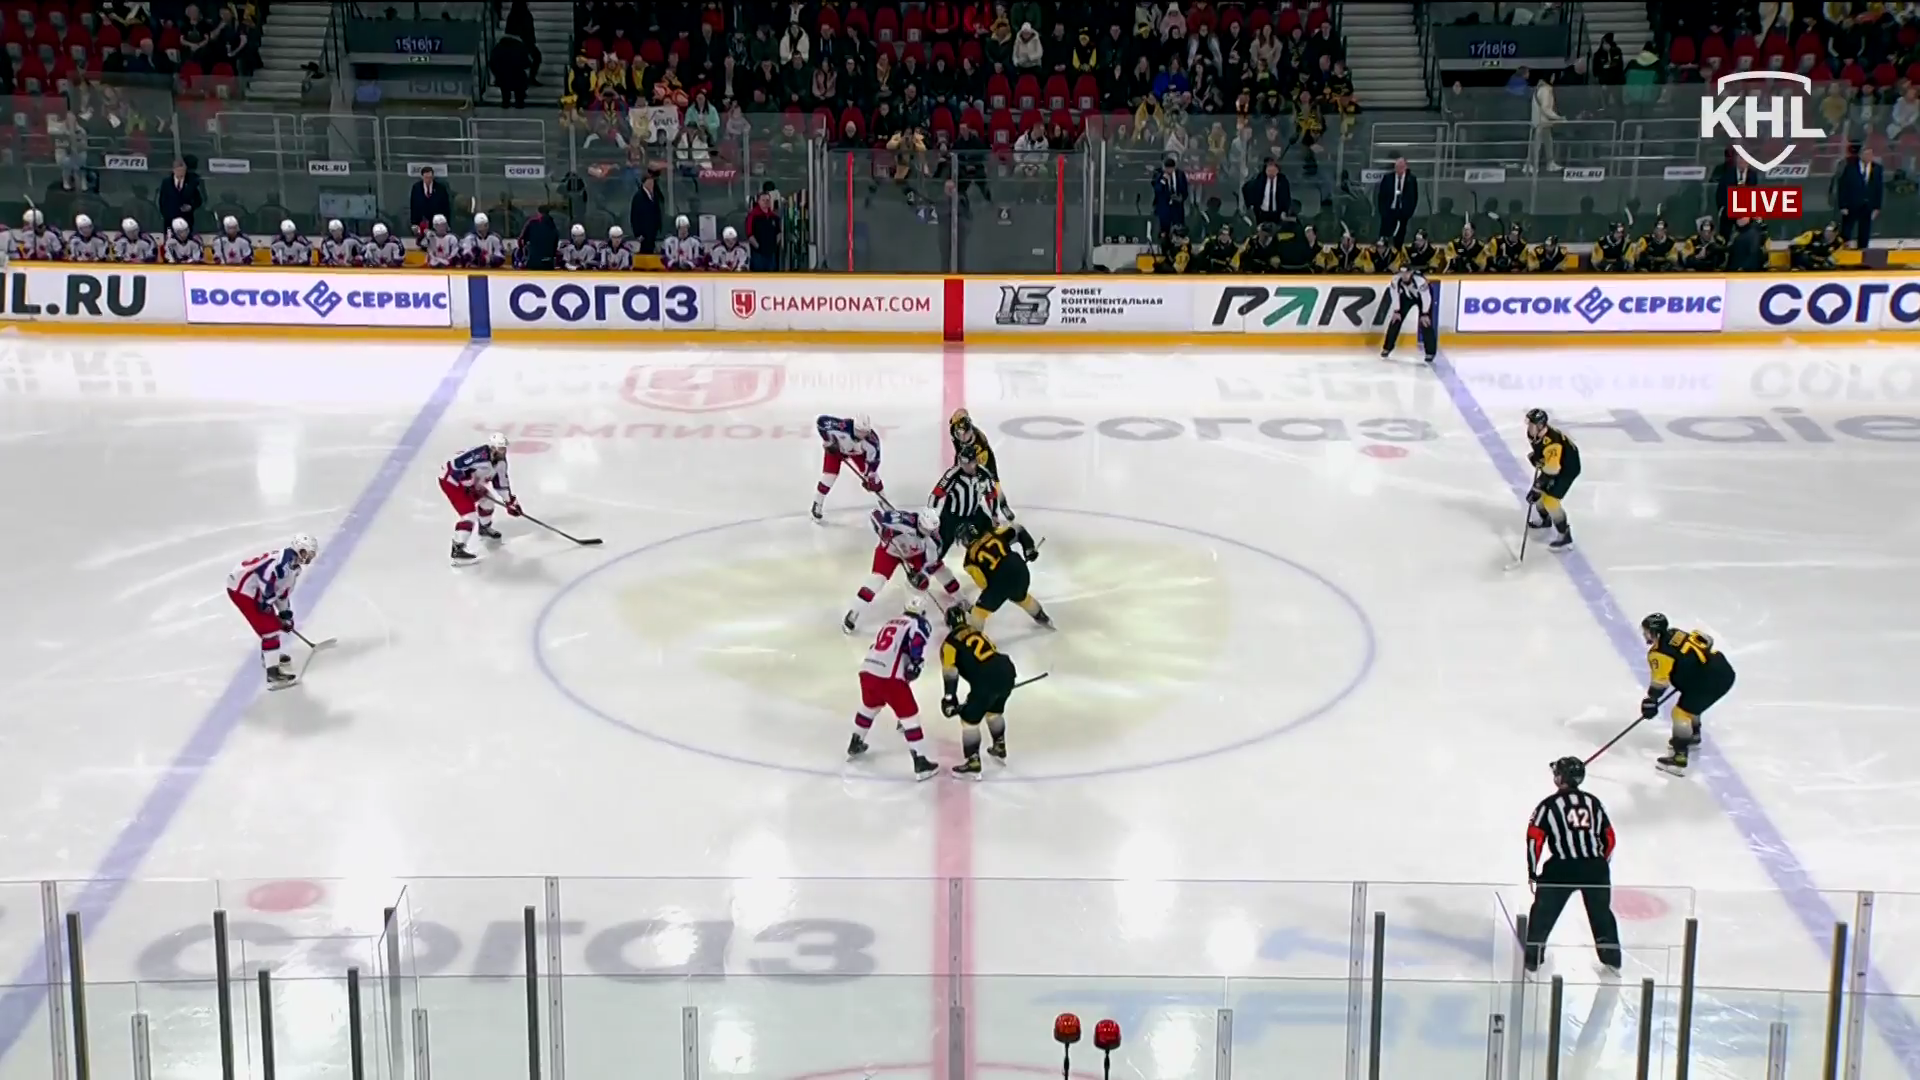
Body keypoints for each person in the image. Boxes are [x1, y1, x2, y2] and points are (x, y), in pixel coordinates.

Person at [1523, 756, 1622, 974]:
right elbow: (1609, 837)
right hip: (1595, 868)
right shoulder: (1593, 802)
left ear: (1561, 779)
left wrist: (1532, 871)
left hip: (1562, 868)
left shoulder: (1549, 805)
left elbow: (1534, 838)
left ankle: (1532, 959)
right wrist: (1599, 863)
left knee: (1542, 914)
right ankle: (1612, 959)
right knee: (1601, 915)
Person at [848, 594, 941, 780]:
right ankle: (921, 762)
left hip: (867, 670)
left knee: (870, 706)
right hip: (889, 677)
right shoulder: (918, 623)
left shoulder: (890, 621)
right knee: (910, 717)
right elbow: (917, 643)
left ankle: (855, 742)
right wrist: (916, 663)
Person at [1639, 613, 1736, 776]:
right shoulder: (1676, 633)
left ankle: (1679, 758)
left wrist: (1651, 700)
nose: (1645, 635)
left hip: (1708, 682)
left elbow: (1660, 682)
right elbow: (1707, 640)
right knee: (1691, 705)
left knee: (1680, 713)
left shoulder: (1659, 653)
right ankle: (1693, 736)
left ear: (1655, 632)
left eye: (1647, 631)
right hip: (1723, 670)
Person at [844, 508, 964, 633]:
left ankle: (960, 598)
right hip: (890, 553)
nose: (929, 533)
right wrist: (882, 530)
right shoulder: (902, 520)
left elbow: (930, 563)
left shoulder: (934, 541)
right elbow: (875, 514)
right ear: (920, 523)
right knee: (876, 581)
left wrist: (921, 575)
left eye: (932, 530)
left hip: (916, 555)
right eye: (927, 530)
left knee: (939, 572)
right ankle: (854, 611)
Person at [226, 535, 320, 689]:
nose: (308, 557)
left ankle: (270, 656)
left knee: (273, 625)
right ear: (298, 548)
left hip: (253, 589)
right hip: (241, 589)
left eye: (310, 554)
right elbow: (266, 582)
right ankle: (273, 675)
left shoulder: (293, 567)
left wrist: (285, 615)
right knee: (270, 630)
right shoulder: (280, 564)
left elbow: (282, 593)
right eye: (305, 552)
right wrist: (266, 602)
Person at [941, 604, 1019, 778]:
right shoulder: (978, 632)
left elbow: (950, 671)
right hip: (1006, 670)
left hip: (985, 680)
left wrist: (949, 698)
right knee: (994, 712)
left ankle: (973, 762)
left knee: (969, 720)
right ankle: (999, 746)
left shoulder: (949, 643)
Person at [440, 432, 520, 565]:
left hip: (471, 484)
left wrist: (510, 502)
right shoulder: (478, 455)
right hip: (452, 483)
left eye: (504, 448)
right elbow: (454, 466)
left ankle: (484, 528)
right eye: (501, 448)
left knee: (488, 501)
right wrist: (465, 482)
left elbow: (501, 483)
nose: (503, 451)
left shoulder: (501, 462)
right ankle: (458, 549)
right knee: (469, 516)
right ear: (493, 448)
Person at [957, 518, 1052, 631]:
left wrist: (995, 593)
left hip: (1000, 582)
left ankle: (974, 637)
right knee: (1021, 597)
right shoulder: (994, 534)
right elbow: (1018, 529)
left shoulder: (969, 561)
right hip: (1019, 569)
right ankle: (1044, 620)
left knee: (978, 612)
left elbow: (983, 584)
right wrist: (1029, 549)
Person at [1524, 408, 1580, 550]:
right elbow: (1542, 452)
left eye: (1532, 424)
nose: (1529, 427)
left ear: (1540, 426)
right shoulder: (1535, 434)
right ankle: (1546, 520)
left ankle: (1565, 535)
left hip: (1567, 469)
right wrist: (1538, 458)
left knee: (1550, 500)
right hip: (1555, 464)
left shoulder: (1553, 444)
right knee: (1539, 497)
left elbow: (1552, 470)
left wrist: (1538, 486)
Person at [813, 413, 883, 521]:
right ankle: (818, 503)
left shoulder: (872, 441)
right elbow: (821, 421)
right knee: (829, 477)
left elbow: (874, 461)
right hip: (836, 450)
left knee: (875, 479)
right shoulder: (841, 426)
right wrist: (828, 441)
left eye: (865, 432)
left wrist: (869, 477)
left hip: (857, 453)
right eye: (859, 431)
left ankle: (885, 505)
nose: (862, 435)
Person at [1379, 265, 1435, 364]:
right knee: (1395, 320)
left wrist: (1425, 313)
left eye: (1407, 273)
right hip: (1406, 297)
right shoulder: (1395, 280)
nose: (1404, 275)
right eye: (1402, 273)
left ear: (1411, 273)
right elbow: (1394, 295)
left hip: (1422, 299)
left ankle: (1430, 352)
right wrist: (1396, 311)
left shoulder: (1420, 281)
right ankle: (1387, 348)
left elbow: (1426, 297)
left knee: (1425, 323)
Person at [1837, 145, 1883, 250]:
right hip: (1852, 205)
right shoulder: (1850, 168)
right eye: (1866, 154)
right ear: (1860, 155)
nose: (1869, 156)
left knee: (1865, 230)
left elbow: (1879, 188)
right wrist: (1843, 205)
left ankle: (1863, 249)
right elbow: (1843, 187)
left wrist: (1877, 206)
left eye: (1871, 154)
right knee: (1847, 229)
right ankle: (1844, 249)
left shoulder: (1877, 168)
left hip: (1868, 205)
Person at [1374, 156, 1418, 246]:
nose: (1399, 169)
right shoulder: (1388, 178)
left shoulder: (1411, 179)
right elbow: (1381, 196)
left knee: (1400, 235)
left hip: (1403, 212)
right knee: (1385, 234)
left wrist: (1409, 212)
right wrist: (1383, 211)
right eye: (1397, 167)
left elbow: (1414, 197)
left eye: (1401, 167)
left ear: (1406, 167)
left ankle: (1398, 250)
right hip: (1389, 211)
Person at [1243, 157, 1290, 229]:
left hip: (1276, 213)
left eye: (1273, 169)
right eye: (1268, 169)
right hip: (1262, 212)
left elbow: (1286, 197)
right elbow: (1247, 188)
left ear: (1277, 170)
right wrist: (1251, 205)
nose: (1270, 171)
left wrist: (1284, 211)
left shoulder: (1282, 181)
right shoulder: (1260, 179)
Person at [158, 159, 202, 235]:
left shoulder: (192, 182)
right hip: (170, 219)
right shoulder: (166, 182)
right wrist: (166, 215)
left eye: (183, 171)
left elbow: (198, 200)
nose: (181, 173)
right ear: (174, 170)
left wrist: (191, 207)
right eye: (179, 171)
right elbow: (162, 201)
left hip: (186, 219)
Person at [409, 166, 452, 240]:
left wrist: (446, 223)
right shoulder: (416, 188)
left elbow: (446, 206)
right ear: (422, 177)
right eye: (426, 177)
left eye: (430, 177)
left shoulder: (440, 188)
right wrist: (414, 223)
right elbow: (413, 205)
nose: (428, 179)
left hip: (437, 221)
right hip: (422, 221)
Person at [1152, 155, 1188, 239]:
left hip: (1177, 206)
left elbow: (1185, 189)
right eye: (1167, 168)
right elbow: (1157, 189)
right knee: (1165, 228)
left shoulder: (1180, 174)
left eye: (1171, 168)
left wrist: (1181, 198)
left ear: (1174, 168)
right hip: (1164, 206)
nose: (1169, 171)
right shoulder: (1158, 174)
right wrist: (1163, 180)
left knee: (1178, 227)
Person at [629, 172, 663, 254]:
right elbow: (634, 217)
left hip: (653, 233)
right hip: (644, 235)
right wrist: (638, 234)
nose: (652, 184)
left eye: (653, 182)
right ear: (644, 182)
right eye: (650, 181)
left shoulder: (655, 195)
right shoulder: (638, 197)